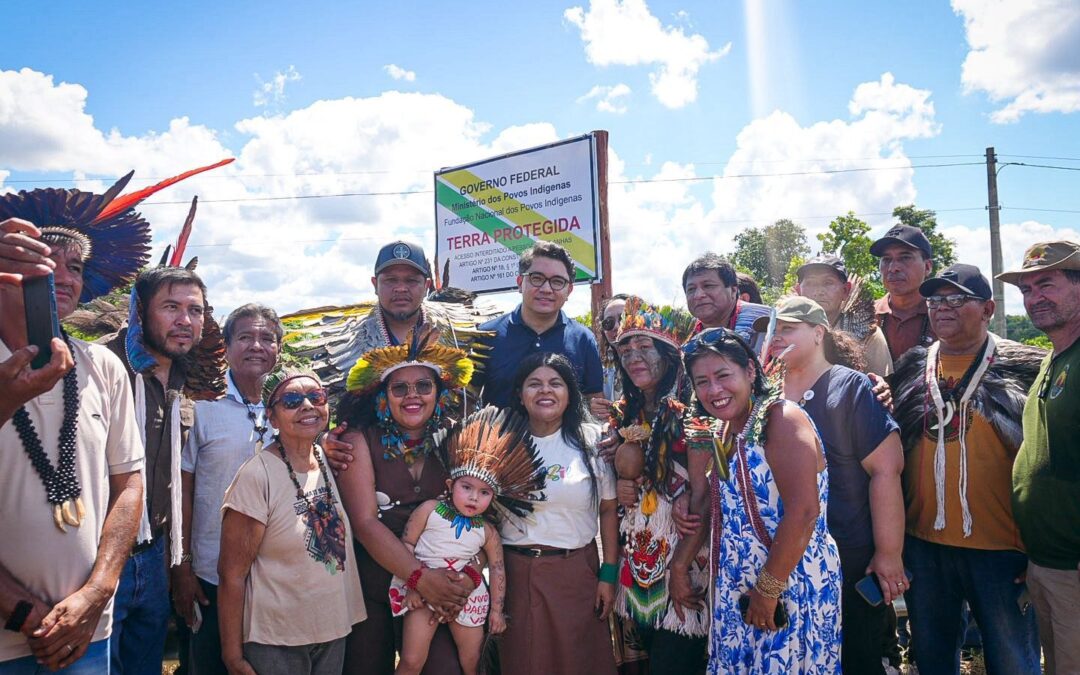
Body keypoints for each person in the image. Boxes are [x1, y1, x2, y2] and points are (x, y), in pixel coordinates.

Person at [0, 188, 149, 674]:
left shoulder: (102, 365)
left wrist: (98, 593)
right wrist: (22, 611)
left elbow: (128, 484)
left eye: (77, 267)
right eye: (46, 259)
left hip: (87, 633)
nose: (63, 277)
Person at [891, 264, 1043, 675]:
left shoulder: (1027, 370)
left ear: (988, 308)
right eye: (936, 300)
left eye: (957, 299)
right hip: (924, 546)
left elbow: (1047, 465)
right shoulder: (910, 369)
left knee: (1012, 661)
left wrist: (1040, 549)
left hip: (1002, 550)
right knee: (932, 658)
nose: (943, 308)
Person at [680, 328, 841, 673]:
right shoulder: (729, 428)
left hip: (788, 585)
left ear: (751, 372)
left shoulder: (781, 419)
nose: (714, 390)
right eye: (702, 382)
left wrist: (767, 591)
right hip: (742, 586)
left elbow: (804, 512)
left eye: (724, 376)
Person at [758, 296, 905, 674]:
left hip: (847, 557)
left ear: (819, 332)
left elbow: (886, 470)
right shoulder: (765, 395)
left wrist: (888, 553)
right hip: (782, 557)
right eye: (772, 329)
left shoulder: (851, 387)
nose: (776, 336)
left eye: (787, 328)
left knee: (855, 658)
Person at [335, 328, 479, 675]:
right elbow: (366, 523)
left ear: (438, 393)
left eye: (423, 386)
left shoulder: (459, 440)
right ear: (383, 397)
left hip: (440, 590)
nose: (412, 396)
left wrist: (454, 581)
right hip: (374, 587)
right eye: (400, 388)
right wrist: (420, 578)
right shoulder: (358, 441)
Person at [218, 368, 365, 675]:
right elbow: (232, 575)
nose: (307, 406)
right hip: (277, 640)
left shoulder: (324, 460)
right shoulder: (257, 476)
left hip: (332, 629)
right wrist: (233, 657)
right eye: (292, 400)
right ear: (272, 418)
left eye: (316, 396)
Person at [103, 265, 211, 674]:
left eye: (195, 310)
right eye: (170, 307)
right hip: (100, 555)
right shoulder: (103, 366)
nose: (185, 320)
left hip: (154, 555)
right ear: (140, 311)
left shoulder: (188, 379)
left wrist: (176, 564)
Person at [174, 303, 283, 674]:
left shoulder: (291, 407)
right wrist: (182, 565)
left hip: (276, 578)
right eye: (245, 337)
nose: (256, 345)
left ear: (278, 350)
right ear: (226, 345)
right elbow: (183, 490)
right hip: (211, 576)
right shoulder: (200, 407)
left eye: (267, 338)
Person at [393, 406, 544, 675]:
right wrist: (414, 585)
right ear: (450, 485)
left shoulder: (488, 532)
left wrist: (496, 611)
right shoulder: (429, 510)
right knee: (411, 661)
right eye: (466, 488)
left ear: (493, 498)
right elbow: (406, 546)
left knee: (473, 663)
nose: (474, 498)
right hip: (422, 589)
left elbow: (497, 568)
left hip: (469, 597)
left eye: (484, 492)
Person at [608, 297, 710, 674]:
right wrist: (621, 483)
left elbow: (706, 494)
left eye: (645, 346)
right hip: (638, 561)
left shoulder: (696, 412)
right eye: (626, 349)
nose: (634, 356)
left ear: (669, 356)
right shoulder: (624, 414)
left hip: (685, 557)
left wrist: (681, 566)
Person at [500, 353, 618, 675]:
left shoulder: (593, 440)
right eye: (534, 384)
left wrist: (608, 574)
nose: (545, 391)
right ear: (520, 395)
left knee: (578, 662)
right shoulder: (500, 444)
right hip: (515, 575)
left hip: (576, 573)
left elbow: (608, 509)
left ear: (570, 393)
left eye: (556, 383)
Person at [999, 241, 1080, 675]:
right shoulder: (1054, 358)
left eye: (1046, 284)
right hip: (1047, 564)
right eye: (1027, 290)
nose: (1034, 298)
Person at [471, 241, 603, 408]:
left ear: (569, 290)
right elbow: (467, 400)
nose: (546, 289)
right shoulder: (486, 335)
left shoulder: (583, 339)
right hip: (498, 434)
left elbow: (595, 403)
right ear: (520, 283)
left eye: (557, 281)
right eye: (537, 278)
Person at [795, 254, 893, 376]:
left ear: (845, 290)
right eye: (810, 283)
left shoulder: (866, 333)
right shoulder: (785, 331)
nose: (818, 291)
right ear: (798, 291)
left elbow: (882, 388)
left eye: (828, 282)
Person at [682, 253, 772, 351]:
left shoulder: (767, 322)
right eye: (691, 289)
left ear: (733, 291)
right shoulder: (680, 335)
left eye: (708, 286)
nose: (698, 295)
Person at [871, 224, 936, 361]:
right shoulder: (865, 316)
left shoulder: (942, 316)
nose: (893, 268)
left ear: (928, 266)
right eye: (886, 259)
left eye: (905, 258)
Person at [589, 293, 628, 420]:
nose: (616, 326)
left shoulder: (659, 360)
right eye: (608, 323)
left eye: (623, 318)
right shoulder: (598, 365)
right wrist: (590, 407)